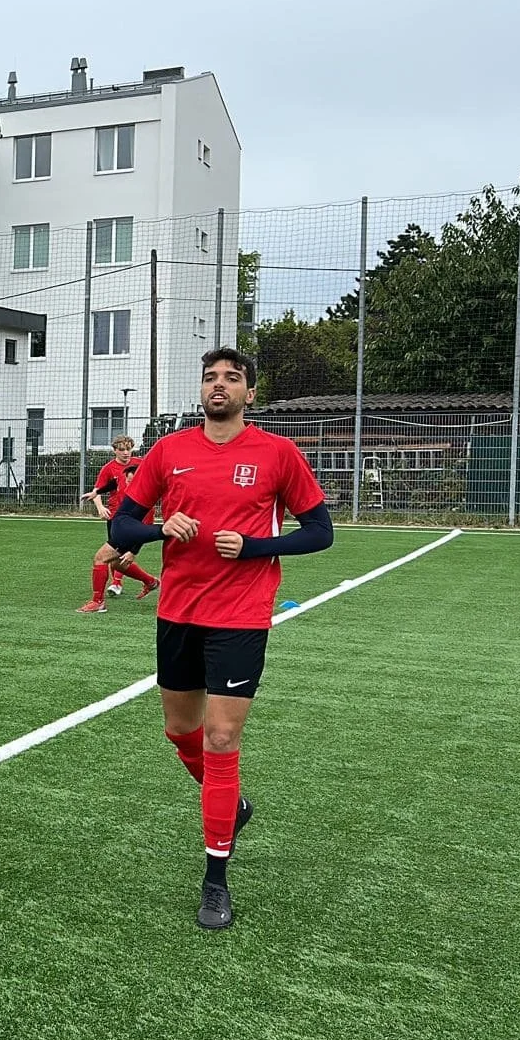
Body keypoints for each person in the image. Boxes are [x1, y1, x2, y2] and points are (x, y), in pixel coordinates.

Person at [110, 347, 333, 931]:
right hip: (179, 610)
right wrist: (161, 529)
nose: (219, 386)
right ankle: (229, 807)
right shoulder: (169, 451)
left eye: (232, 378)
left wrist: (257, 546)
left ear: (249, 394)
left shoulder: (277, 454)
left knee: (221, 736)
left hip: (242, 613)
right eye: (210, 377)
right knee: (180, 730)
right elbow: (120, 527)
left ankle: (215, 879)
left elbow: (320, 532)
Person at [78, 436, 160, 613]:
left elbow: (147, 518)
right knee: (115, 563)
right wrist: (99, 501)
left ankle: (98, 601)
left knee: (102, 558)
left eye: (128, 449)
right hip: (117, 520)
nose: (125, 453)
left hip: (131, 525)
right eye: (121, 449)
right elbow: (109, 485)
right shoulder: (109, 469)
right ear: (114, 450)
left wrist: (135, 550)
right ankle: (150, 582)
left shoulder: (142, 465)